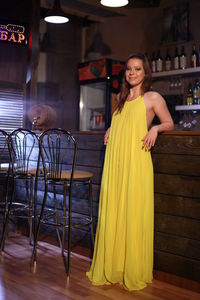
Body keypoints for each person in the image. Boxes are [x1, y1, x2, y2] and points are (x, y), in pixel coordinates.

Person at [86, 53, 174, 291]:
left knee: (133, 210)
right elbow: (119, 123)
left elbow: (169, 122)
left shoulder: (153, 97)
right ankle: (114, 265)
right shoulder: (121, 97)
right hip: (116, 160)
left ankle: (132, 268)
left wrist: (155, 128)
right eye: (128, 69)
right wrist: (109, 130)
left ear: (146, 72)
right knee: (114, 209)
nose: (132, 73)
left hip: (136, 160)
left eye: (137, 69)